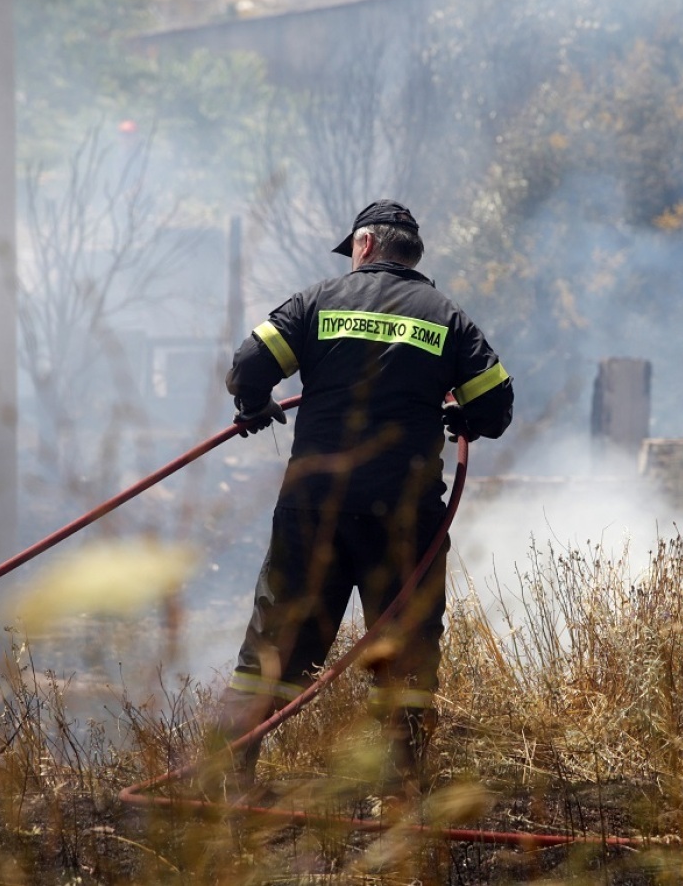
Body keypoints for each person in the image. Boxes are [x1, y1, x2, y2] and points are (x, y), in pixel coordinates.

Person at [205, 200, 514, 800]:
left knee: (275, 645)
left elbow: (247, 366)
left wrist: (253, 407)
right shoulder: (448, 318)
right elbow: (496, 408)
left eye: (353, 251)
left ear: (365, 244)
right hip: (405, 516)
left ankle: (225, 783)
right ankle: (399, 793)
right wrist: (458, 415)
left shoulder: (316, 303)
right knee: (405, 652)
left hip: (312, 509)